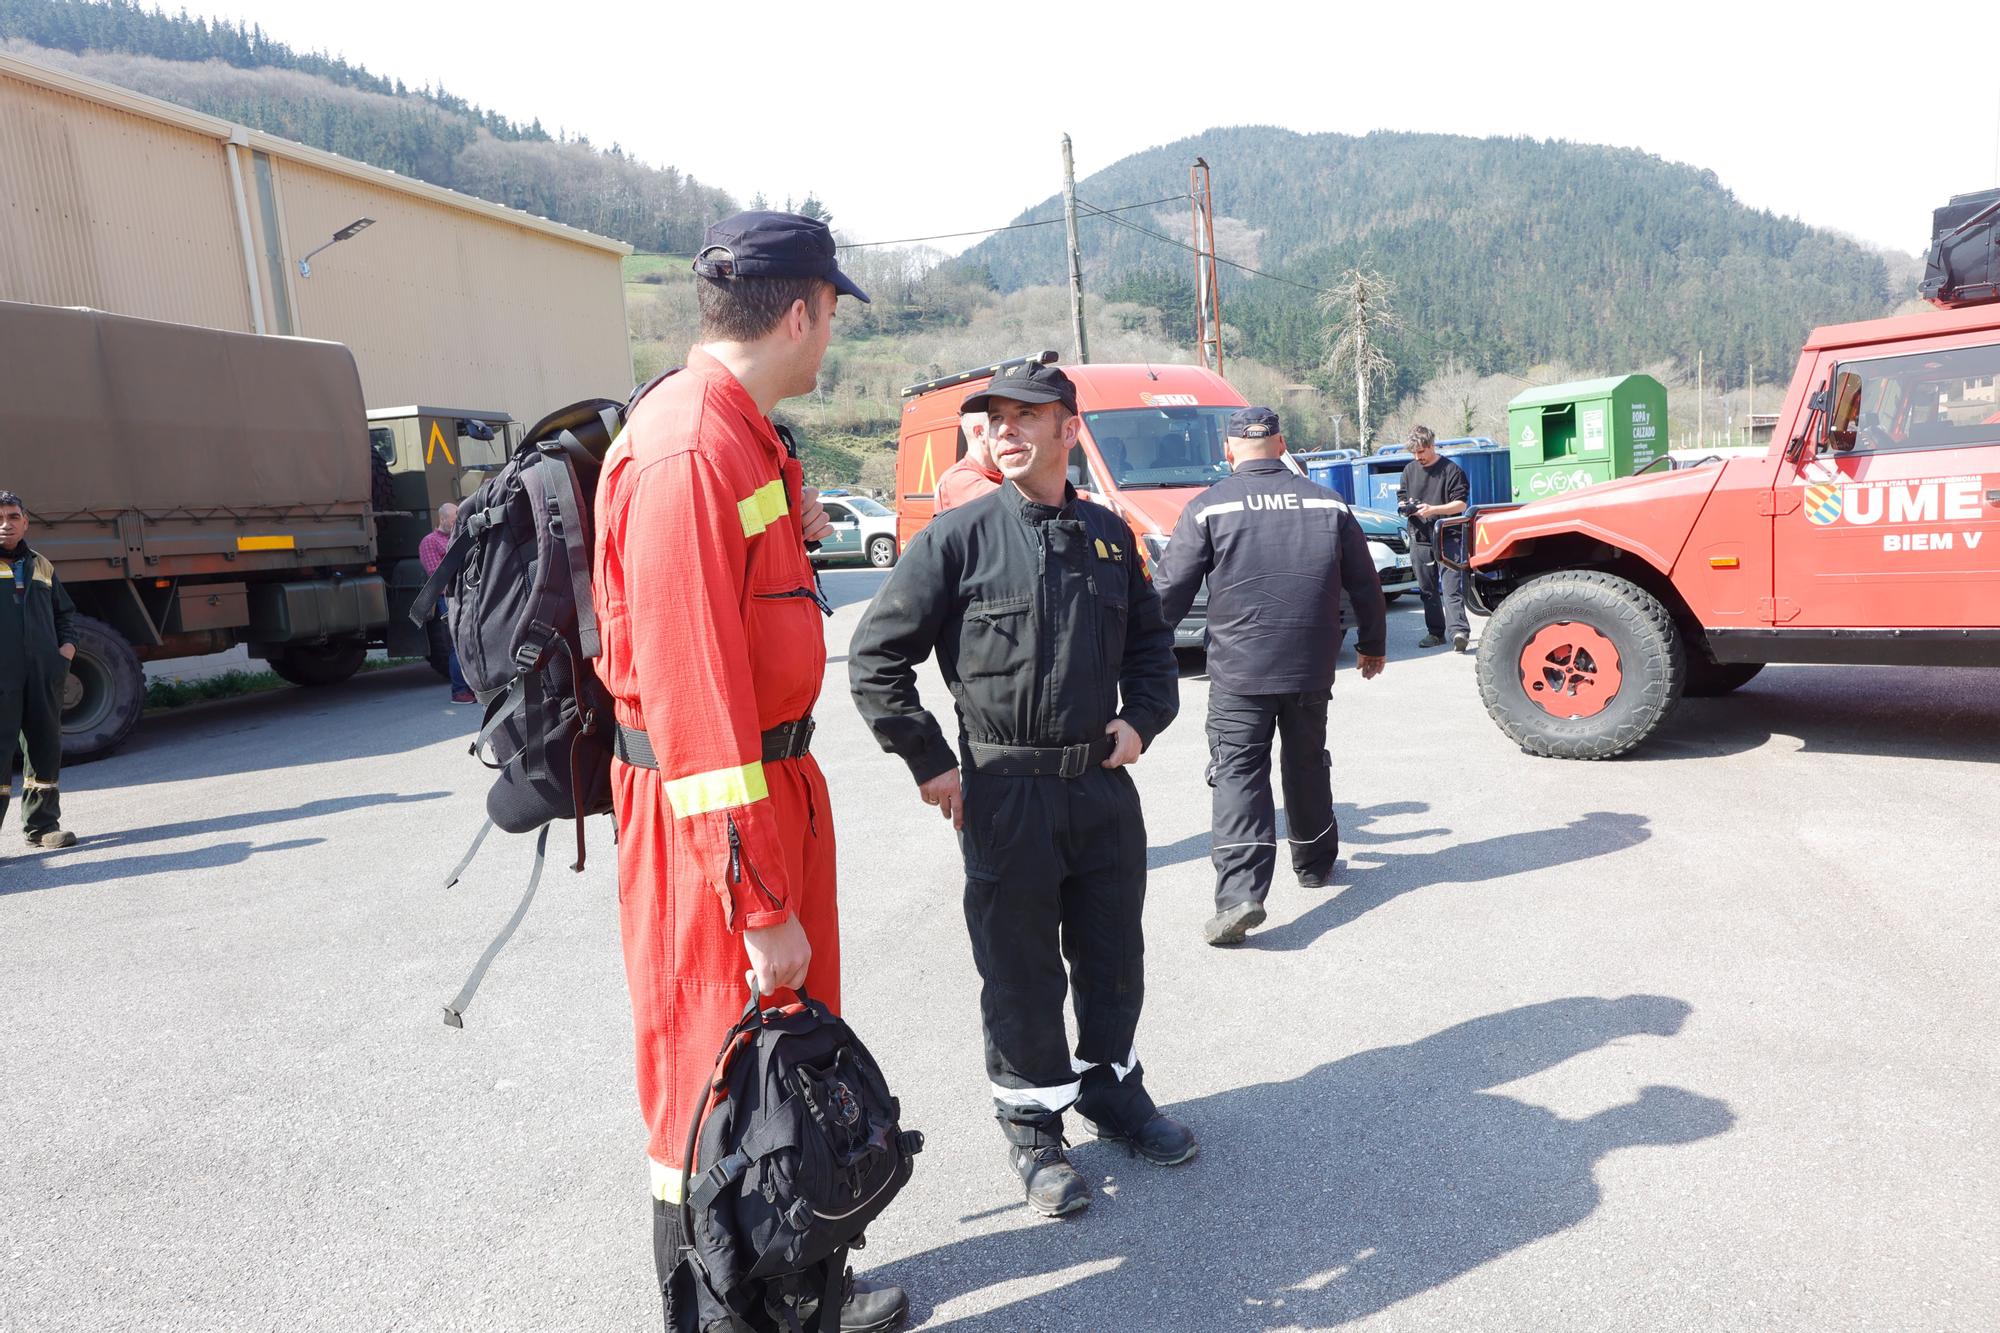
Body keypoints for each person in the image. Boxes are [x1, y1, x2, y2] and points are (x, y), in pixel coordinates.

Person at [590, 211, 906, 1332]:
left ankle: (802, 1288)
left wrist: (794, 515)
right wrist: (758, 898)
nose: (831, 343)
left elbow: (741, 586)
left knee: (780, 1078)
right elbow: (693, 707)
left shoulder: (738, 433)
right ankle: (733, 1314)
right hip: (713, 825)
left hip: (766, 800)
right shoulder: (687, 446)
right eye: (830, 317)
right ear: (799, 310)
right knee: (714, 1087)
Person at [849, 360, 1190, 1221]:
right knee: (1020, 971)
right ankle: (1036, 1129)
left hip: (1102, 790)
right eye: (993, 416)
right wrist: (931, 761)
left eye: (1024, 415)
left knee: (1114, 956)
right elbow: (876, 659)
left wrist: (1141, 722)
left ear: (1069, 429)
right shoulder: (956, 539)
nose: (1003, 429)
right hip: (1005, 793)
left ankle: (1112, 1090)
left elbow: (1154, 655)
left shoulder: (1112, 538)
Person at [1153, 408, 1387, 946]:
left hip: (1239, 671)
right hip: (1310, 665)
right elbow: (1365, 582)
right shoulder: (1328, 502)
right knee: (1306, 762)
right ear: (1281, 443)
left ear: (1229, 449)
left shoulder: (1210, 506)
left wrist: (1137, 652)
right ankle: (1315, 863)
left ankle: (1240, 898)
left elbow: (1168, 594)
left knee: (1238, 775)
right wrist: (1373, 645)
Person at [0, 490, 79, 851]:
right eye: (0, 518)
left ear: (25, 521)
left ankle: (42, 826)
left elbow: (65, 613)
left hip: (43, 673)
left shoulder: (41, 565)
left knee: (45, 746)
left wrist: (65, 650)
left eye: (13, 517)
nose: (6, 524)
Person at [1400, 425, 1471, 651]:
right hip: (1419, 535)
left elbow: (1461, 504)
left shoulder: (1451, 470)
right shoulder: (1409, 470)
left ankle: (1459, 632)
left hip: (1448, 536)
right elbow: (1401, 498)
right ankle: (1435, 633)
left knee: (1451, 587)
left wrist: (1433, 510)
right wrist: (1405, 507)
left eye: (1421, 451)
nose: (1417, 457)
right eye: (1414, 452)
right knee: (1427, 589)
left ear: (1432, 446)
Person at [418, 502, 474, 703]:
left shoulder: (459, 537)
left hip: (466, 594)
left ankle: (472, 687)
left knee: (470, 642)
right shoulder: (430, 542)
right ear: (442, 519)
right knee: (456, 646)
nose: (457, 523)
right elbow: (437, 576)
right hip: (448, 598)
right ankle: (459, 691)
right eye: (453, 520)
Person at [933, 412, 1002, 511]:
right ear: (980, 433)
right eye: (996, 422)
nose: (1006, 430)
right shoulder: (959, 479)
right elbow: (1015, 503)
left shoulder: (996, 473)